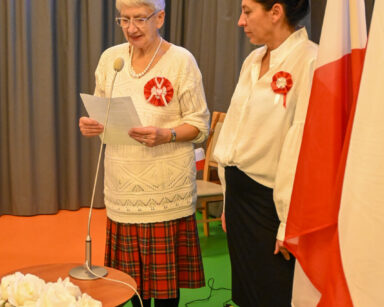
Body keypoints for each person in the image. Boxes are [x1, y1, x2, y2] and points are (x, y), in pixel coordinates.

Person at [79, 0, 210, 306]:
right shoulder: (111, 59)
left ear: (160, 17)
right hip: (123, 189)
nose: (131, 28)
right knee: (127, 285)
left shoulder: (181, 60)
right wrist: (91, 124)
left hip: (166, 189)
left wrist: (168, 134)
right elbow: (102, 109)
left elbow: (200, 124)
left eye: (139, 19)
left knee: (165, 293)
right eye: (123, 20)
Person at [213, 0, 318, 306]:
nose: (240, 22)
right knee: (246, 291)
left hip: (271, 203)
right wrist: (226, 197)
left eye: (247, 11)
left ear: (276, 12)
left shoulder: (309, 60)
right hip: (239, 196)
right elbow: (232, 129)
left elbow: (299, 146)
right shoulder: (253, 60)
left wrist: (288, 221)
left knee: (273, 292)